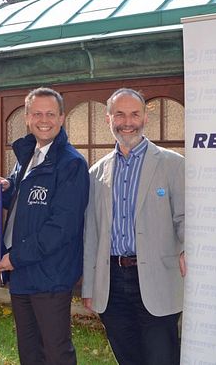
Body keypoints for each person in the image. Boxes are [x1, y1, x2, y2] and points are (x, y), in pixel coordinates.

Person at [82, 88, 186, 365]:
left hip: (157, 281)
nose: (127, 121)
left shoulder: (173, 165)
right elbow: (91, 233)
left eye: (134, 114)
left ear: (144, 118)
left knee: (161, 358)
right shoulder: (97, 172)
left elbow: (185, 218)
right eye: (119, 114)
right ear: (108, 119)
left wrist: (189, 249)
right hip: (112, 284)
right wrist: (90, 287)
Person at [0, 87, 89, 365]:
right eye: (36, 113)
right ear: (26, 117)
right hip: (22, 273)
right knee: (30, 352)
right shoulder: (29, 155)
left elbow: (61, 227)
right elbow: (27, 203)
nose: (43, 119)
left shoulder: (71, 164)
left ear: (61, 118)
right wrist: (6, 187)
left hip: (49, 274)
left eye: (50, 113)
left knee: (55, 353)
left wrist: (14, 258)